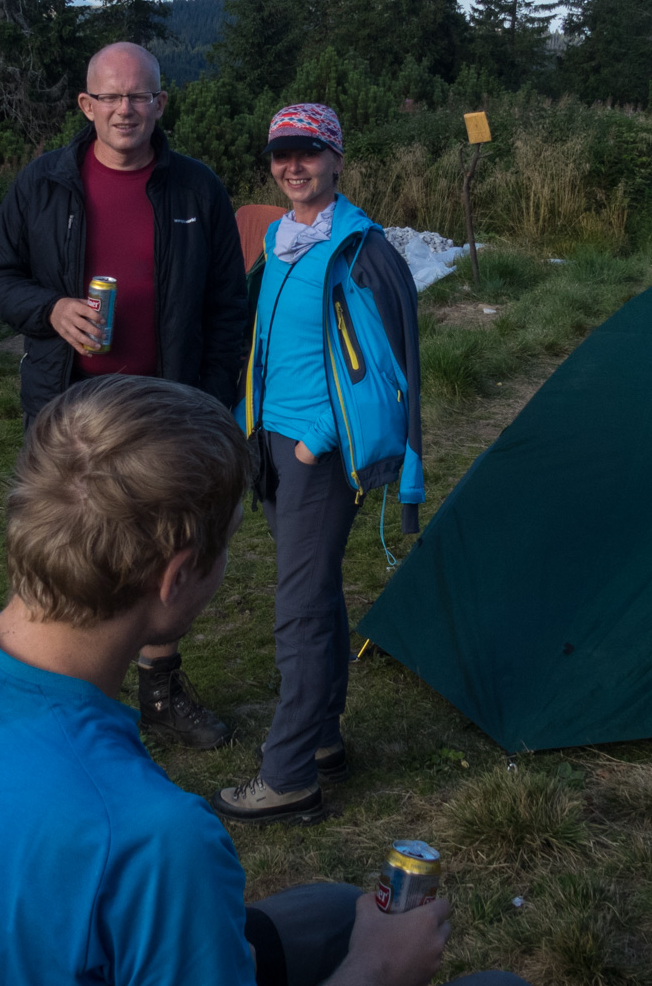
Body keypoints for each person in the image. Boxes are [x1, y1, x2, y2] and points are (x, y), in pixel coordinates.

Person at [0, 375, 527, 986]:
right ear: (175, 576)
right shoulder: (149, 840)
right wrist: (378, 970)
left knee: (324, 910)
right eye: (229, 543)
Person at [0, 41, 247, 749]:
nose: (126, 109)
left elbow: (228, 308)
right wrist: (50, 312)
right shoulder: (43, 185)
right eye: (112, 96)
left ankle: (159, 693)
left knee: (169, 548)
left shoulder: (196, 188)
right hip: (71, 411)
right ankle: (58, 693)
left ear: (161, 103)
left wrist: (212, 403)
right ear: (86, 105)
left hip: (169, 406)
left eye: (140, 96)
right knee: (66, 550)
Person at [215, 103, 425, 825]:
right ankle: (325, 737)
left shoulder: (363, 250)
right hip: (269, 445)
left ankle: (289, 774)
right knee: (317, 593)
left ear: (336, 159)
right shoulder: (278, 239)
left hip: (316, 455)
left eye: (308, 151)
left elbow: (392, 367)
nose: (293, 165)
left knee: (297, 612)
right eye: (281, 154)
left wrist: (322, 440)